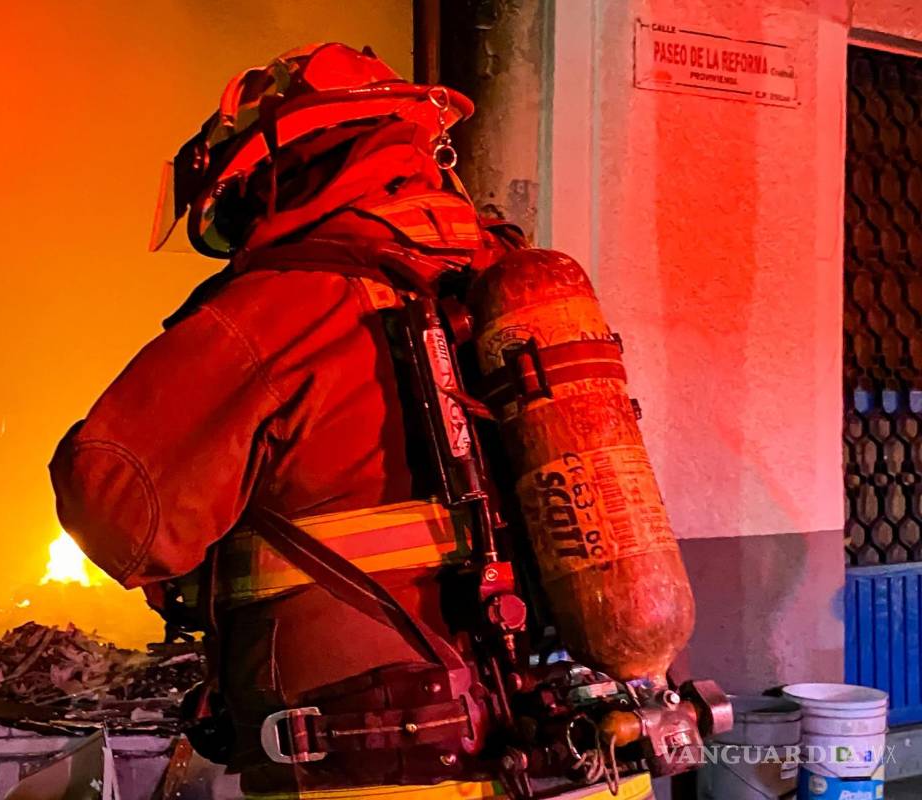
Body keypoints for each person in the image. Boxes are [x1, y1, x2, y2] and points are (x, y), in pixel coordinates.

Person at [50, 43, 652, 800]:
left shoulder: (280, 306)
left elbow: (116, 506)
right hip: (581, 755)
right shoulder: (505, 281)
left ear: (279, 169)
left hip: (381, 765)